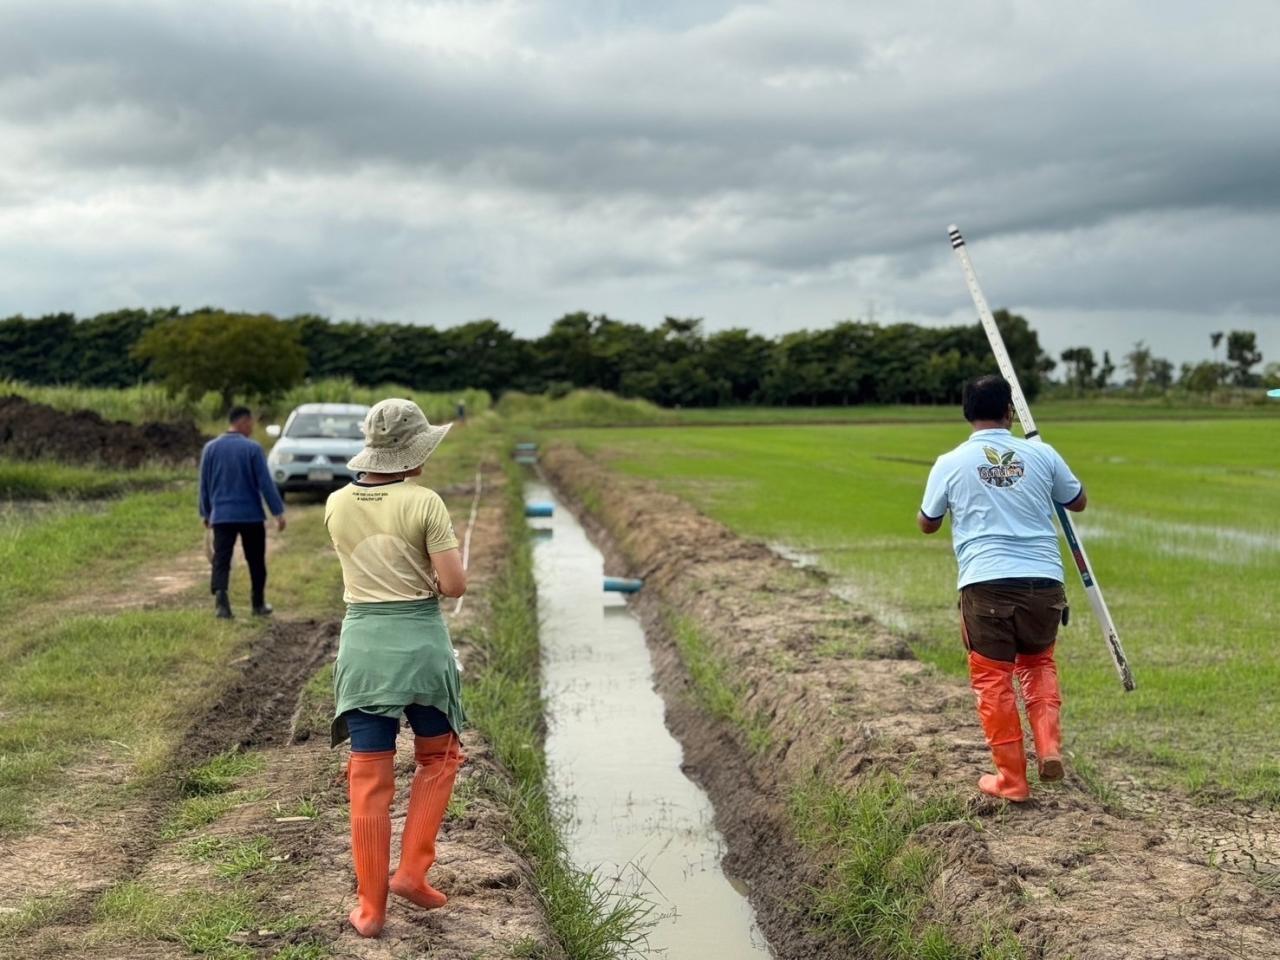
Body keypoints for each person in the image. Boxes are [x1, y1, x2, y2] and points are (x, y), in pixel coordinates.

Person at [323, 398, 466, 938]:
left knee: (368, 773)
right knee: (440, 755)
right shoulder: (425, 502)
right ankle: (411, 872)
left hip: (363, 648)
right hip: (421, 645)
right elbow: (453, 585)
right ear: (414, 452)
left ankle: (371, 908)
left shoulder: (337, 502)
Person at [917, 375, 1087, 802]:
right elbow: (1077, 500)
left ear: (966, 412)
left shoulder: (950, 461)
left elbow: (927, 523)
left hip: (985, 584)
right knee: (1038, 663)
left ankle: (1012, 781)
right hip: (1044, 582)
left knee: (993, 679)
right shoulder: (1042, 453)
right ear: (1009, 412)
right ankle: (1048, 748)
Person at [198, 405, 286, 619]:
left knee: (221, 560)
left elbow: (205, 485)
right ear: (243, 422)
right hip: (250, 516)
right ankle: (258, 604)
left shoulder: (210, 448)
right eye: (251, 423)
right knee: (256, 560)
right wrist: (278, 512)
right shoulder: (253, 449)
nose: (252, 427)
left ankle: (221, 604)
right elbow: (266, 484)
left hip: (222, 517)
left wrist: (206, 513)